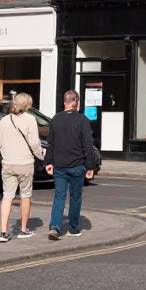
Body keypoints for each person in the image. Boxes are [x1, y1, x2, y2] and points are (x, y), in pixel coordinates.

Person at [45, 90, 97, 240]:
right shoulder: (82, 120)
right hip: (77, 165)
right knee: (75, 197)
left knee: (59, 196)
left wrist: (49, 162)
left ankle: (55, 226)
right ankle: (73, 228)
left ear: (64, 102)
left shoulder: (55, 119)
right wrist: (90, 166)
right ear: (76, 102)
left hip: (59, 165)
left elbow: (51, 144)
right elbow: (88, 145)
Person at [0, 92, 44, 243]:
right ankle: (23, 229)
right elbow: (35, 143)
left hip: (8, 163)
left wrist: (6, 153)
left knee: (7, 196)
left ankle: (3, 232)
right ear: (28, 105)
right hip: (25, 163)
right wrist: (41, 155)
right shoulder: (31, 119)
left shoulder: (4, 120)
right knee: (25, 196)